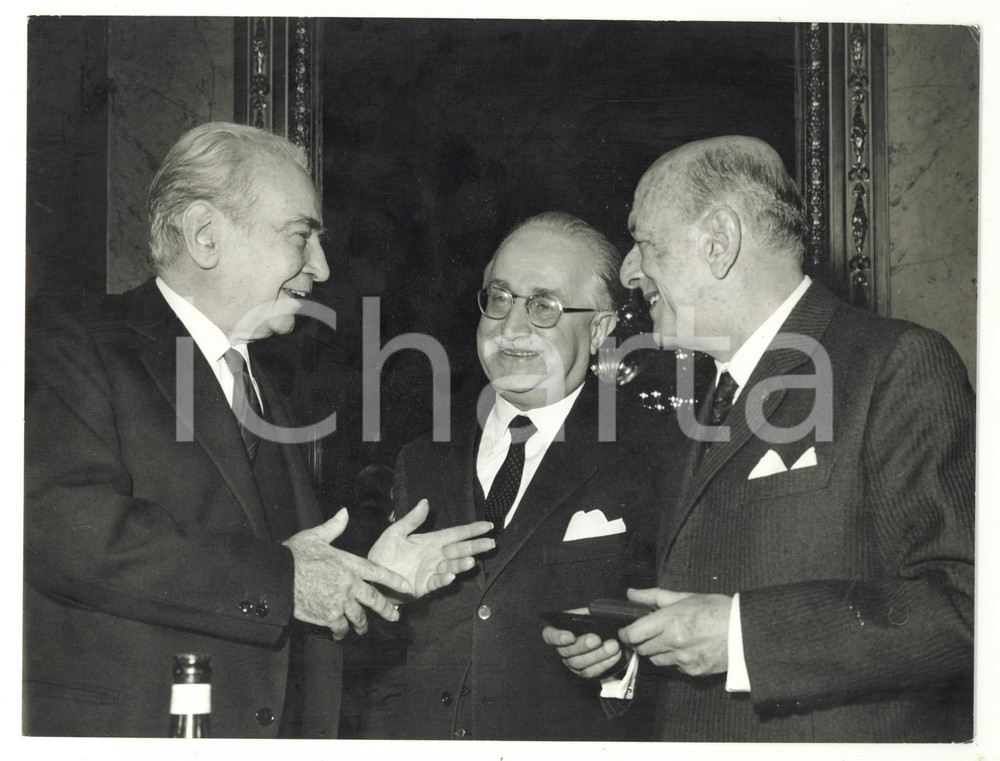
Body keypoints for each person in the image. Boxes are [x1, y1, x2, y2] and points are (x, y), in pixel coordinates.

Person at [23, 122, 494, 738]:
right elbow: (64, 530)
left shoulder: (268, 386)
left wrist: (367, 576)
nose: (321, 268)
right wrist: (288, 579)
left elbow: (271, 564)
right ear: (206, 235)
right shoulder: (69, 346)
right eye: (301, 237)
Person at [543, 135, 975, 741]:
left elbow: (969, 609)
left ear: (719, 241)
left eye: (644, 243)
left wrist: (745, 638)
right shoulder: (689, 399)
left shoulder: (892, 365)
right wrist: (628, 650)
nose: (630, 271)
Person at [369, 211, 672, 741]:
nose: (511, 328)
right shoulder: (421, 458)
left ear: (599, 328)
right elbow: (387, 657)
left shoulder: (657, 455)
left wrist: (621, 669)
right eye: (499, 298)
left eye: (544, 306)